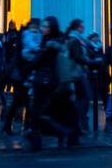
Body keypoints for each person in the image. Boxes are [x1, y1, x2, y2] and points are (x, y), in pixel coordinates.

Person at [23, 16, 79, 151]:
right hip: (48, 80)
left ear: (52, 28)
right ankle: (57, 134)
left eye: (46, 27)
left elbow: (40, 60)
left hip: (45, 80)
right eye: (42, 26)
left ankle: (47, 136)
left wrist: (26, 68)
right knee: (45, 111)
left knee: (38, 112)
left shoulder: (50, 44)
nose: (42, 29)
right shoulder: (51, 42)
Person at [65, 19, 91, 134]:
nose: (83, 28)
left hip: (77, 72)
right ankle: (80, 121)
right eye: (82, 26)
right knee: (84, 96)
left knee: (80, 97)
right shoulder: (75, 40)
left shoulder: (75, 39)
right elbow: (78, 57)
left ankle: (78, 122)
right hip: (77, 72)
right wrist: (90, 61)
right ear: (77, 27)